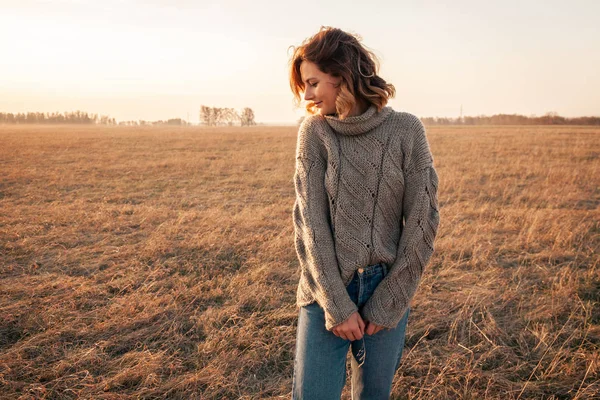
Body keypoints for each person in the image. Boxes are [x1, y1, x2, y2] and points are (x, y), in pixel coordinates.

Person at [287, 26, 441, 399]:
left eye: (312, 82)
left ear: (342, 76)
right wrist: (338, 305)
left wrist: (389, 299)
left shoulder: (406, 130)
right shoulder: (315, 133)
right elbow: (312, 227)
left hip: (386, 288)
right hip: (325, 291)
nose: (306, 95)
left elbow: (422, 221)